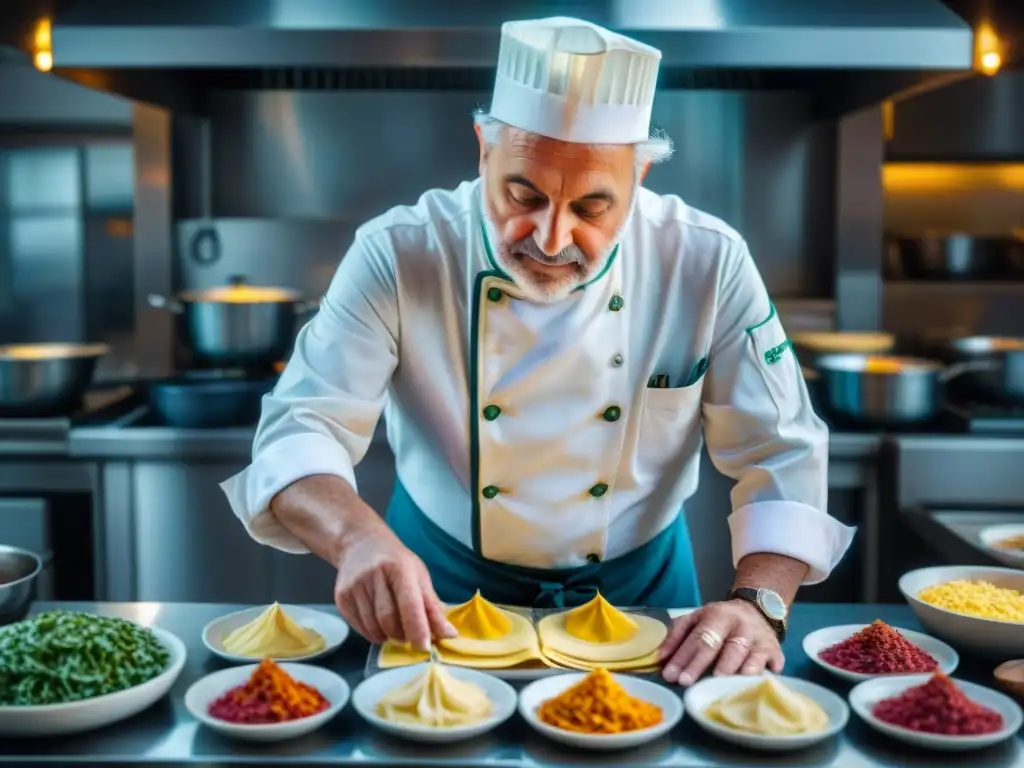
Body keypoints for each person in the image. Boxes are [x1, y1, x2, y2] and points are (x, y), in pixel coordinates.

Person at [222, 16, 855, 686]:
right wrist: (357, 540)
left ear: (638, 176)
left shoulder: (706, 262)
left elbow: (780, 450)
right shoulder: (401, 252)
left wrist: (759, 603)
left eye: (592, 208)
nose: (552, 239)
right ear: (482, 150)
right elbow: (301, 426)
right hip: (437, 596)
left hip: (648, 602)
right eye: (523, 195)